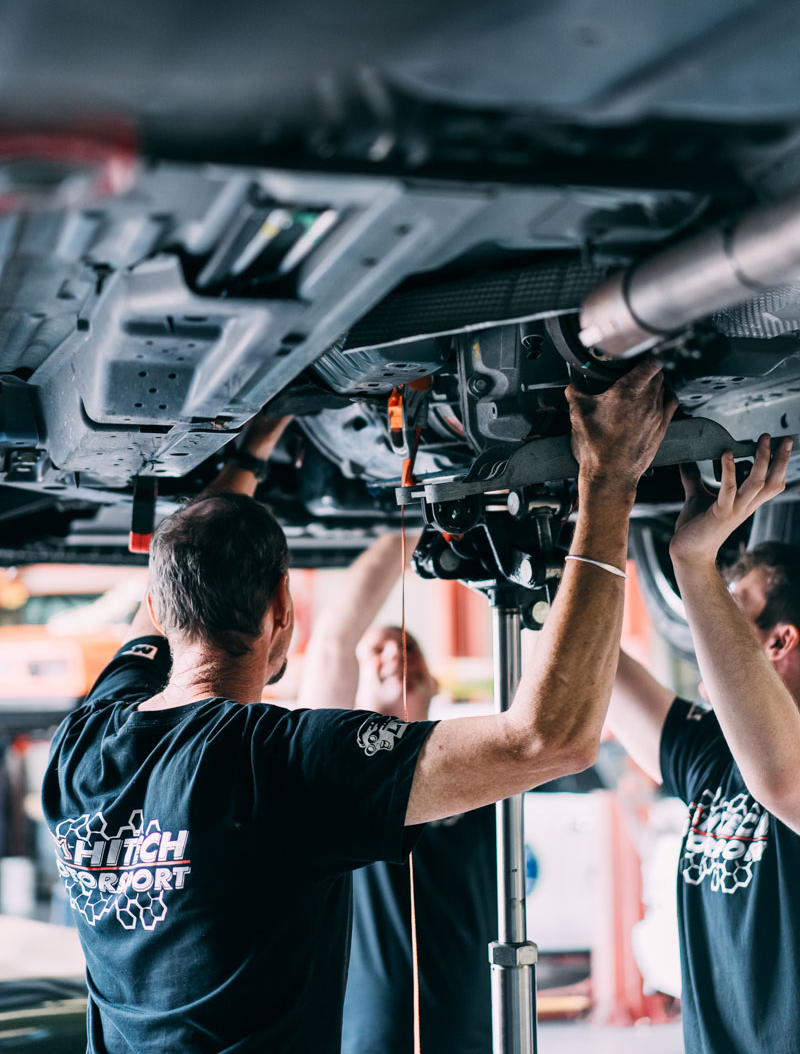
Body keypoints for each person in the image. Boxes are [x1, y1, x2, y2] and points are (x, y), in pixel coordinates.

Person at [42, 361, 674, 1053]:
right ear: (282, 610)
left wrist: (250, 456)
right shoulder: (277, 762)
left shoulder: (84, 742)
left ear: (162, 612)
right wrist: (609, 480)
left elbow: (177, 571)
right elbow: (548, 742)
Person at [608, 435, 797, 1054]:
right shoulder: (715, 752)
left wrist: (695, 564)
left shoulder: (781, 768)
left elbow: (780, 781)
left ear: (779, 642)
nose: (700, 622)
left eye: (733, 603)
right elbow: (598, 667)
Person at [298, 533, 496, 1054]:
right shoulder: (331, 769)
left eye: (408, 647)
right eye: (379, 649)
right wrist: (408, 530)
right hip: (368, 1033)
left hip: (470, 1026)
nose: (395, 653)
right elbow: (333, 642)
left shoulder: (471, 763)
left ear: (432, 683)